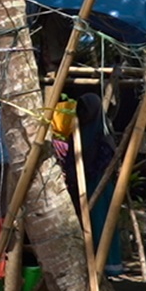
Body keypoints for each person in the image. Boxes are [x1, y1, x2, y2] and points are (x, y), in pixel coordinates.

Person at [57, 93, 123, 276]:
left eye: (87, 110)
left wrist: (87, 174)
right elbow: (70, 159)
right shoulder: (76, 133)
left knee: (101, 223)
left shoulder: (103, 136)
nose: (83, 113)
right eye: (82, 109)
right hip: (79, 186)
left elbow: (107, 163)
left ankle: (105, 265)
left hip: (99, 187)